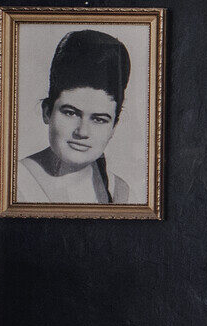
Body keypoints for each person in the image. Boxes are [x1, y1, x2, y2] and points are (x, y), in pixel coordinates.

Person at [17, 29, 135, 205]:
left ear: (114, 127)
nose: (82, 132)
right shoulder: (13, 182)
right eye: (70, 113)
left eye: (99, 119)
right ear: (47, 112)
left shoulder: (120, 192)